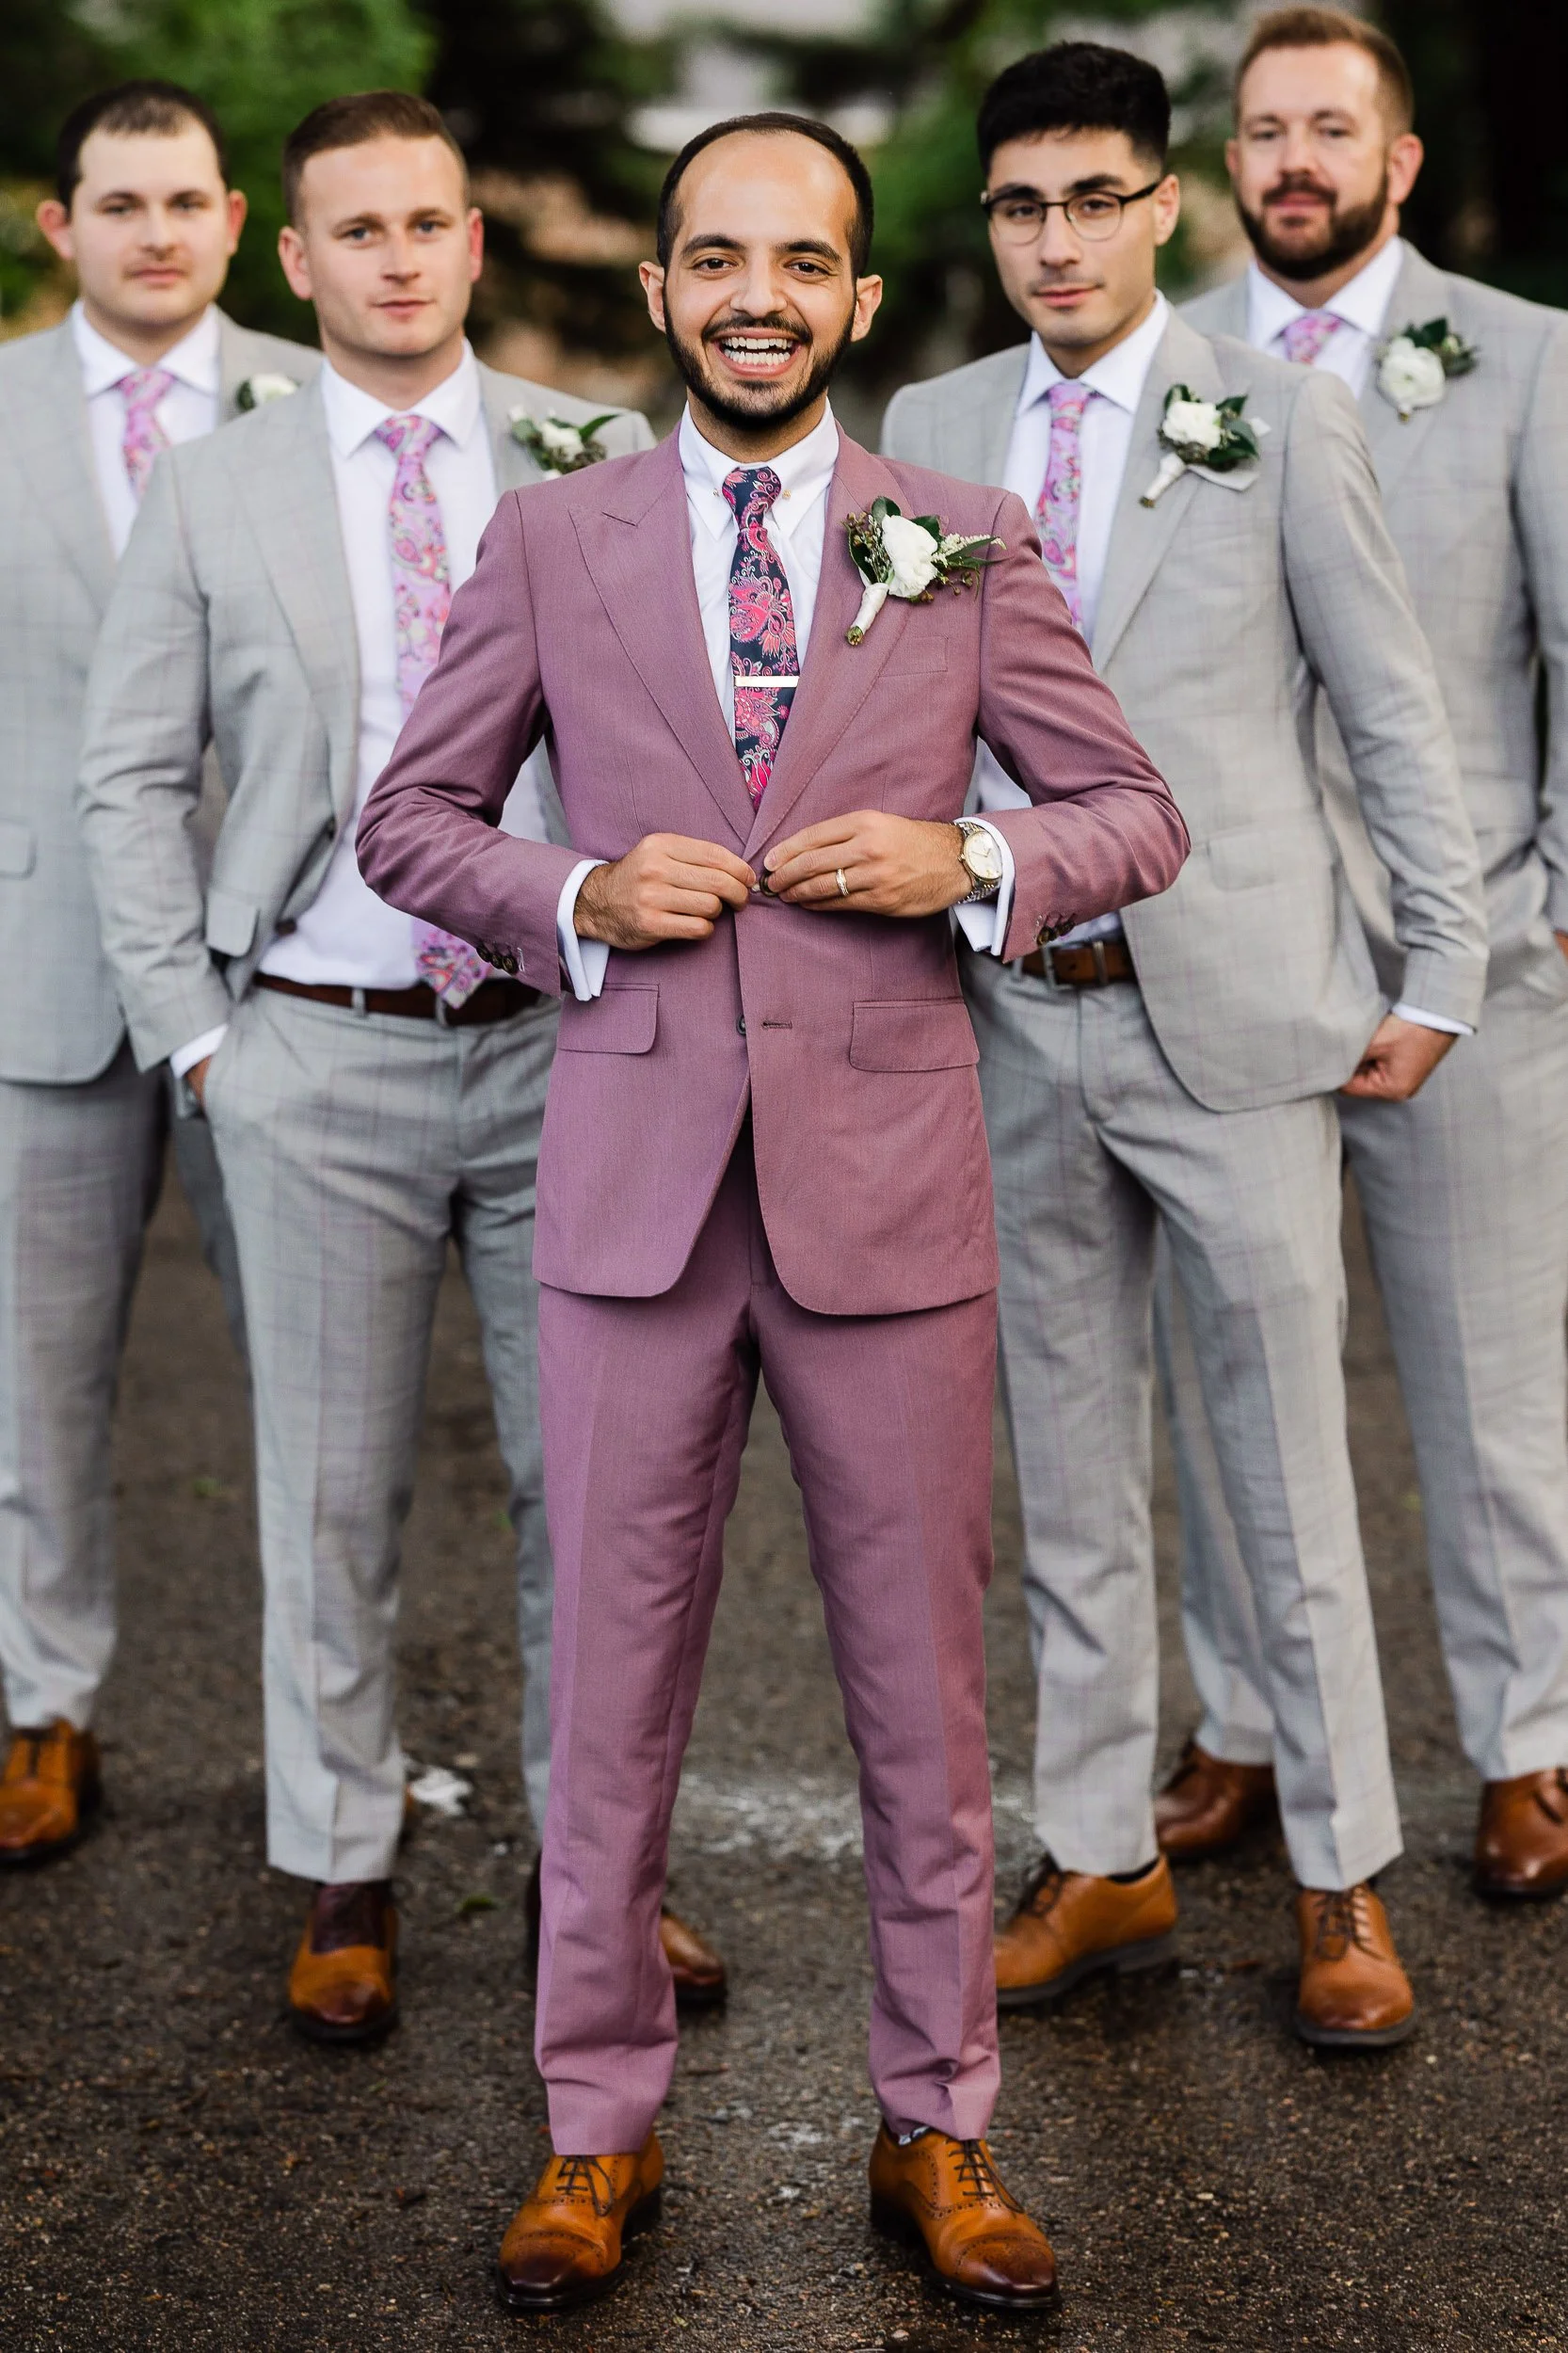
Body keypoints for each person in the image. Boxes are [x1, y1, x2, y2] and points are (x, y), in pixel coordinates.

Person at [358, 109, 1185, 2316]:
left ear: (854, 295)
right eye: (714, 258)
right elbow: (412, 818)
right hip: (629, 1194)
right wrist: (571, 891)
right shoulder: (551, 535)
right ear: (657, 290)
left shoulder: (964, 538)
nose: (754, 296)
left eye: (798, 261)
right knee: (607, 1690)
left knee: (921, 1696)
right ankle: (591, 2128)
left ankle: (936, 2120)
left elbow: (1128, 809)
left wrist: (970, 860)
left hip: (887, 1198)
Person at [76, 89, 724, 2047]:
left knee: (594, 1488)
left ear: (471, 240)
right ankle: (341, 1863)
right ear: (294, 259)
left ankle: (598, 1875)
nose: (397, 258)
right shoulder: (217, 487)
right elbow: (130, 778)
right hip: (316, 1056)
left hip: (567, 1052)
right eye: (355, 230)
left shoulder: (593, 453)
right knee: (329, 1491)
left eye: (427, 223)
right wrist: (203, 1040)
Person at [882, 41, 1486, 2046]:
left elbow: (1386, 706)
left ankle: (1338, 1874)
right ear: (990, 226)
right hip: (1005, 1012)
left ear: (1164, 206)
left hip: (1233, 1016)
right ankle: (1100, 1859)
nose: (1056, 239)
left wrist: (1438, 968)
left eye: (1093, 199)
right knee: (1065, 1474)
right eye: (1020, 206)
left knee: (1284, 1470)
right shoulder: (928, 426)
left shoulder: (1283, 415)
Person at [1160, 7, 1568, 1903]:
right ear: (1228, 161)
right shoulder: (1165, 363)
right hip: (1226, 966)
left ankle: (1524, 1739)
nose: (1292, 160)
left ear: (1395, 161)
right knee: (1233, 1376)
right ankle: (1243, 1724)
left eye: (1329, 128)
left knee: (1487, 1382)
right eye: (1263, 130)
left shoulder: (1522, 357)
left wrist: (1551, 899)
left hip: (1467, 949)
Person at [0, 81, 310, 1869]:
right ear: (63, 225)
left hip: (274, 959)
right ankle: (45, 1705)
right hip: (39, 956)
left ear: (233, 219)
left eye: (186, 201)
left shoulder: (315, 395)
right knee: (35, 1378)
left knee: (316, 1378)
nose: (157, 234)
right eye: (120, 204)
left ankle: (316, 1733)